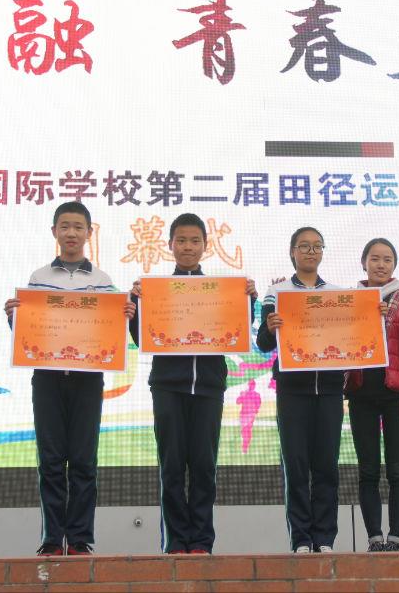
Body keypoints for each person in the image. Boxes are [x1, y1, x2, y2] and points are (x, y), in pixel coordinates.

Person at [3, 201, 135, 557]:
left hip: (87, 380)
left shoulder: (102, 281)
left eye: (78, 227)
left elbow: (110, 331)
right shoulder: (38, 277)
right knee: (50, 460)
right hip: (47, 379)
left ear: (89, 233)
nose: (71, 233)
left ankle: (79, 539)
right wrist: (14, 317)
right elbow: (31, 331)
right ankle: (51, 539)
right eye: (65, 226)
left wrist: (124, 314)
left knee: (83, 461)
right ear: (54, 232)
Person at [128, 212, 257, 554]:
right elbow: (142, 338)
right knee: (171, 467)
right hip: (168, 386)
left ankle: (200, 541)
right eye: (181, 240)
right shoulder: (153, 291)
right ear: (170, 245)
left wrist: (249, 300)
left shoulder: (222, 291)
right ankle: (175, 541)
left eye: (195, 240)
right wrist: (136, 304)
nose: (188, 246)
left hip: (209, 387)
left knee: (203, 466)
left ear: (205, 246)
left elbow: (237, 331)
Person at [256, 226, 347, 553]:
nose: (311, 251)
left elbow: (352, 336)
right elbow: (263, 344)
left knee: (326, 466)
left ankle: (324, 538)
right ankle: (301, 539)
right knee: (295, 465)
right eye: (304, 246)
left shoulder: (337, 295)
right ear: (292, 252)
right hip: (292, 390)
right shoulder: (276, 292)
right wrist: (270, 328)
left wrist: (371, 316)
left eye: (317, 246)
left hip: (330, 390)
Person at [345, 238, 399, 552]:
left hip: (396, 395)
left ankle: (396, 539)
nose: (380, 264)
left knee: (398, 470)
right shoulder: (350, 299)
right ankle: (375, 538)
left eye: (387, 259)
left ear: (394, 265)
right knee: (368, 470)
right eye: (374, 258)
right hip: (361, 394)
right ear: (363, 262)